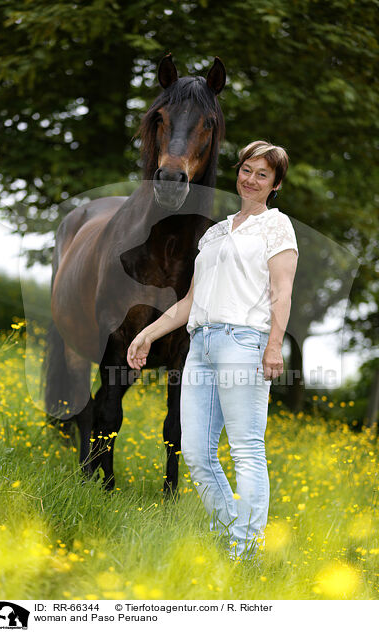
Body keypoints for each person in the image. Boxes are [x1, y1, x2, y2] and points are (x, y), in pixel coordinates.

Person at [127, 140, 298, 560]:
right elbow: (188, 302)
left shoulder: (276, 227)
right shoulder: (216, 232)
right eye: (246, 170)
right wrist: (147, 333)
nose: (251, 180)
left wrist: (273, 345)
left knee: (245, 449)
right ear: (237, 172)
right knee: (198, 454)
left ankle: (244, 552)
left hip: (245, 343)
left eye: (263, 175)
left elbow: (282, 292)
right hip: (200, 345)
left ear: (275, 185)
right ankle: (228, 537)